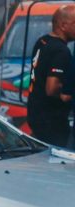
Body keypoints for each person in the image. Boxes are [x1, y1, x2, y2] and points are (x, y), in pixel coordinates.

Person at [28, 5, 75, 146]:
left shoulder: (43, 41)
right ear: (63, 25)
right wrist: (68, 90)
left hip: (36, 114)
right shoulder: (61, 51)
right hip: (52, 120)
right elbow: (52, 88)